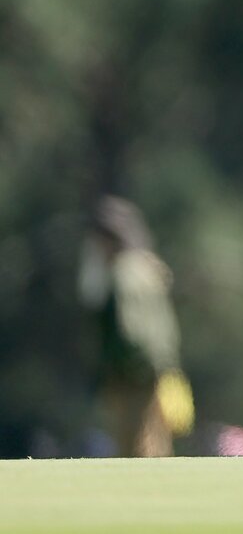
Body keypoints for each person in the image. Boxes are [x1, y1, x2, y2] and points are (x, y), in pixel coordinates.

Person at [77, 196, 194, 457]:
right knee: (157, 445)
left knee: (135, 449)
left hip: (131, 378)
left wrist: (118, 367)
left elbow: (130, 331)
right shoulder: (147, 268)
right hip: (157, 372)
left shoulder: (122, 273)